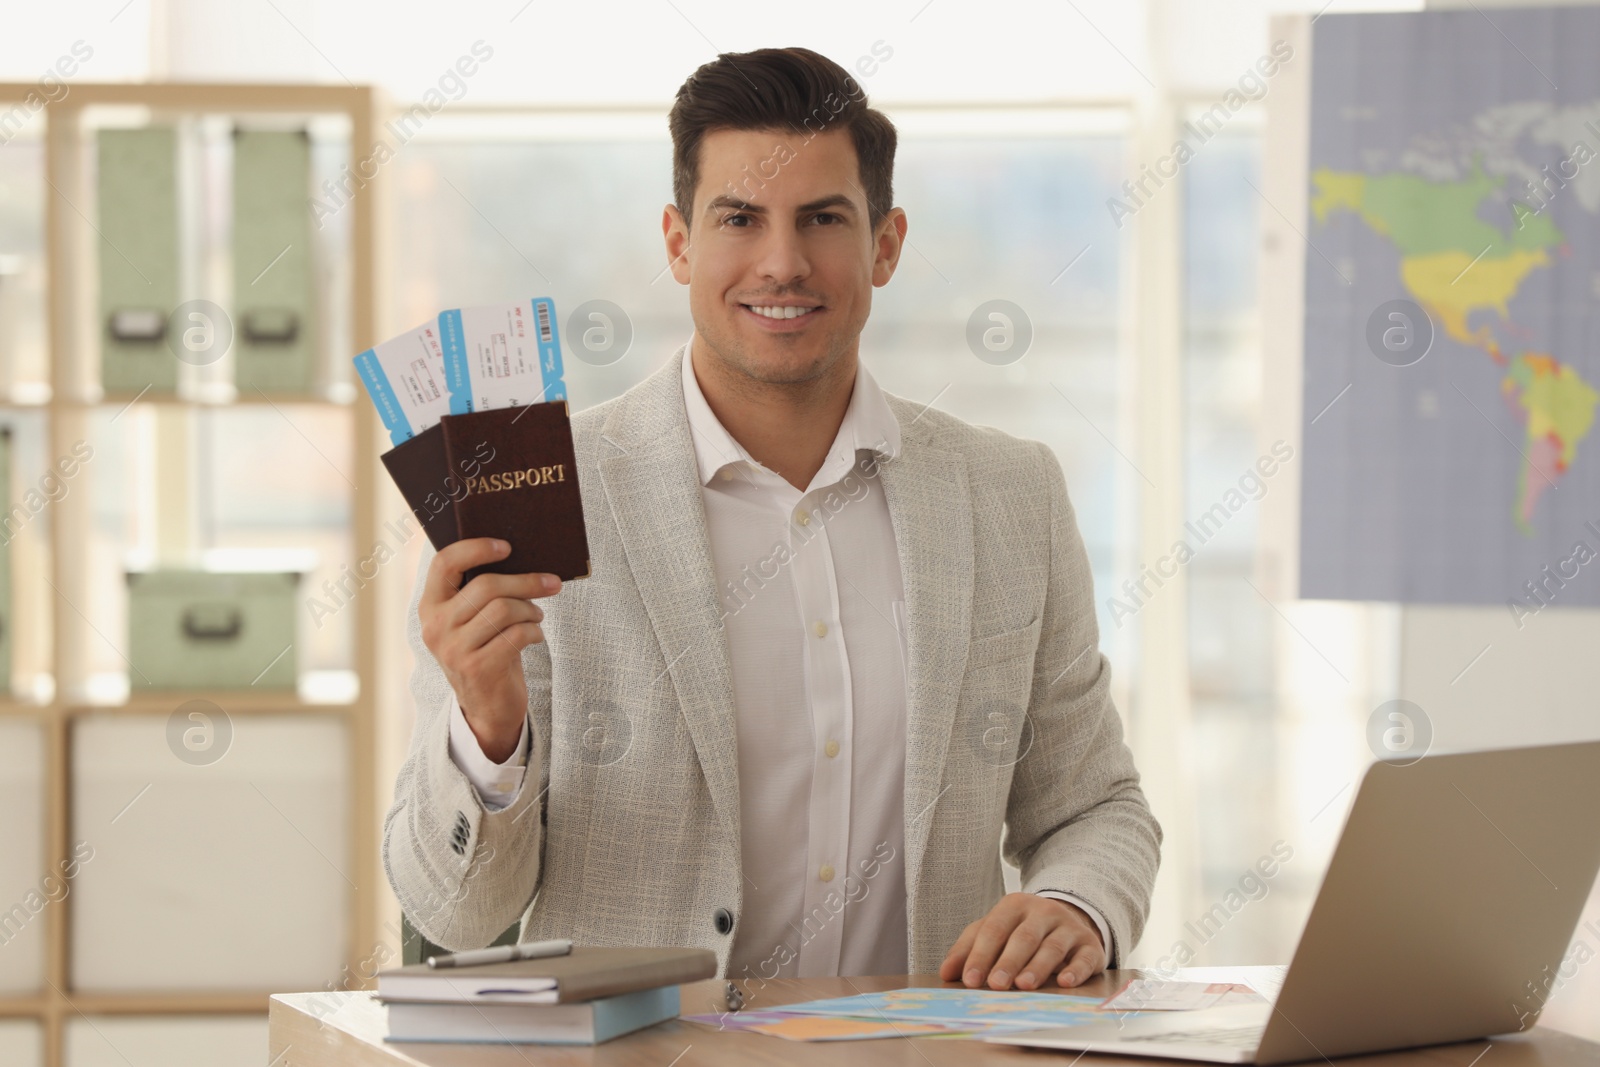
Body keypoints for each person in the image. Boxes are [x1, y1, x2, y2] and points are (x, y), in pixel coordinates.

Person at [384, 45, 1161, 993]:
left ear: (886, 242)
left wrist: (1078, 903)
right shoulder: (538, 492)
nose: (782, 263)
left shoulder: (1010, 495)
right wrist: (487, 725)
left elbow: (1096, 805)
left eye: (823, 219)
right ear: (679, 242)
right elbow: (454, 911)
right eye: (739, 219)